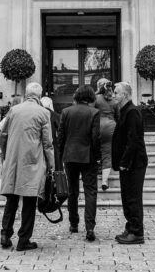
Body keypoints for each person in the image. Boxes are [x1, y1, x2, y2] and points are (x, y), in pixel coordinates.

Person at [0, 82, 55, 252]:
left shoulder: (14, 110)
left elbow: (3, 134)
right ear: (39, 95)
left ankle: (5, 234)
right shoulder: (44, 112)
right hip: (32, 161)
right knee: (29, 201)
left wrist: (4, 155)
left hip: (13, 160)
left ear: (26, 93)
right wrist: (51, 164)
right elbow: (47, 143)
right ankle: (24, 239)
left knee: (12, 200)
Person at [57, 84, 100, 241]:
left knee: (72, 191)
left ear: (76, 96)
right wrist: (97, 156)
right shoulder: (94, 112)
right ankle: (89, 227)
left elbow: (60, 136)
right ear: (90, 97)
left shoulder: (66, 112)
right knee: (90, 191)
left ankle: (74, 223)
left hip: (70, 156)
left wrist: (60, 156)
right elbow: (96, 137)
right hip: (88, 156)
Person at [111, 81, 147, 245]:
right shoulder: (124, 110)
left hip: (134, 163)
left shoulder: (132, 112)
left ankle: (137, 232)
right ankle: (130, 227)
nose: (113, 95)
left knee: (133, 198)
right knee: (127, 197)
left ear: (125, 95)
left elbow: (134, 140)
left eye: (116, 92)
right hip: (127, 163)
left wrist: (125, 162)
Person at [94, 79, 118, 190]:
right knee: (107, 152)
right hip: (111, 126)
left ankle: (97, 167)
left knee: (95, 148)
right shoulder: (114, 100)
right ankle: (104, 181)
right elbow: (118, 115)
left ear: (99, 86)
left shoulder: (96, 98)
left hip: (98, 126)